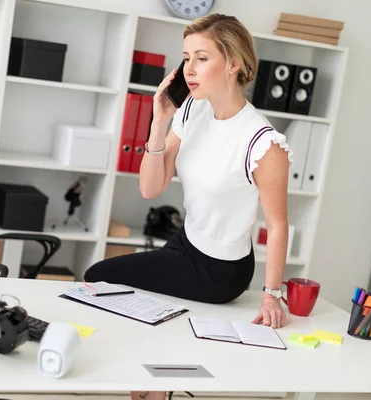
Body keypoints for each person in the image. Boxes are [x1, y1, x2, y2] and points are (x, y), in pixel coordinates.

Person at [84, 14, 293, 399]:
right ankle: (153, 386)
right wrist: (159, 121)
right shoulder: (192, 110)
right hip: (186, 243)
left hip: (220, 270)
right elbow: (151, 186)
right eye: (186, 58)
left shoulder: (262, 143)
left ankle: (155, 386)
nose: (188, 70)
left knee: (99, 276)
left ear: (233, 64)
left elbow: (277, 225)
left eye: (201, 58)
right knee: (134, 302)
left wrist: (272, 295)